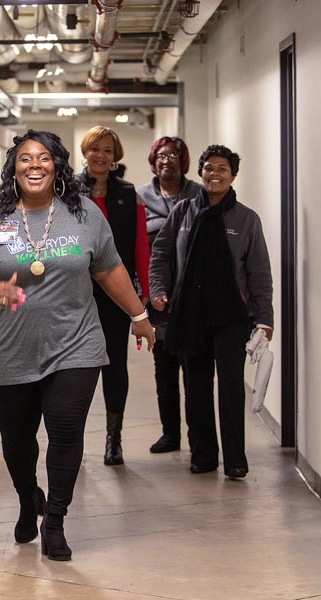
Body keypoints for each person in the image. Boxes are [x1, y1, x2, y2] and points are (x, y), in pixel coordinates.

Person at [0, 130, 154, 561]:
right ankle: (29, 497)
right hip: (11, 349)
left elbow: (109, 268)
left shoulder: (83, 214)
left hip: (76, 345)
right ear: (13, 167)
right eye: (25, 158)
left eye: (43, 158)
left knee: (66, 434)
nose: (34, 165)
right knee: (17, 440)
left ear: (57, 166)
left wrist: (138, 316)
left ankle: (57, 520)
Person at [149, 145, 273, 479]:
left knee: (231, 386)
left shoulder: (246, 219)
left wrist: (265, 318)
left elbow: (260, 273)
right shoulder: (184, 211)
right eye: (208, 168)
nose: (214, 174)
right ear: (200, 172)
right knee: (197, 386)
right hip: (190, 314)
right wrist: (159, 289)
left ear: (233, 175)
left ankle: (235, 459)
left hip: (233, 316)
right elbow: (160, 253)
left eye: (221, 168)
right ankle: (203, 455)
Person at [74, 126, 149, 466]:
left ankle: (113, 438)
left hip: (116, 292)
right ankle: (72, 439)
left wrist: (142, 293)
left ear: (115, 155)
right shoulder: (68, 190)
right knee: (75, 368)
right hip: (75, 292)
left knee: (114, 364)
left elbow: (140, 247)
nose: (101, 156)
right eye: (95, 149)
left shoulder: (129, 193)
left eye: (107, 150)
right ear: (85, 152)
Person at [137, 136, 202, 454]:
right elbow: (137, 248)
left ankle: (197, 437)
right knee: (164, 370)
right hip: (157, 292)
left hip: (193, 295)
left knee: (194, 371)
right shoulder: (142, 196)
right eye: (161, 155)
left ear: (183, 160)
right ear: (153, 160)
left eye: (174, 155)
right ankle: (170, 434)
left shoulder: (199, 194)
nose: (167, 160)